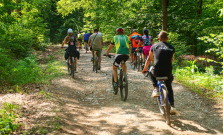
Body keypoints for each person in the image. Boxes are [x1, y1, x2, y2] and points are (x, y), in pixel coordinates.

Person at [142, 31, 176, 114]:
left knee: (150, 70)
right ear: (167, 38)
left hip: (157, 71)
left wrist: (145, 68)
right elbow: (171, 60)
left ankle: (155, 89)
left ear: (159, 39)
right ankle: (172, 106)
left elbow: (149, 59)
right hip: (168, 71)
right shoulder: (172, 48)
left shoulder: (154, 46)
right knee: (169, 86)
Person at [106, 27, 131, 94]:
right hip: (126, 55)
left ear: (117, 32)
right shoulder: (127, 37)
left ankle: (116, 83)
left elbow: (110, 47)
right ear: (123, 32)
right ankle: (124, 76)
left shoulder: (114, 37)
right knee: (123, 64)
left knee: (114, 68)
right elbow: (130, 47)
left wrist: (107, 54)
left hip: (118, 55)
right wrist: (130, 55)